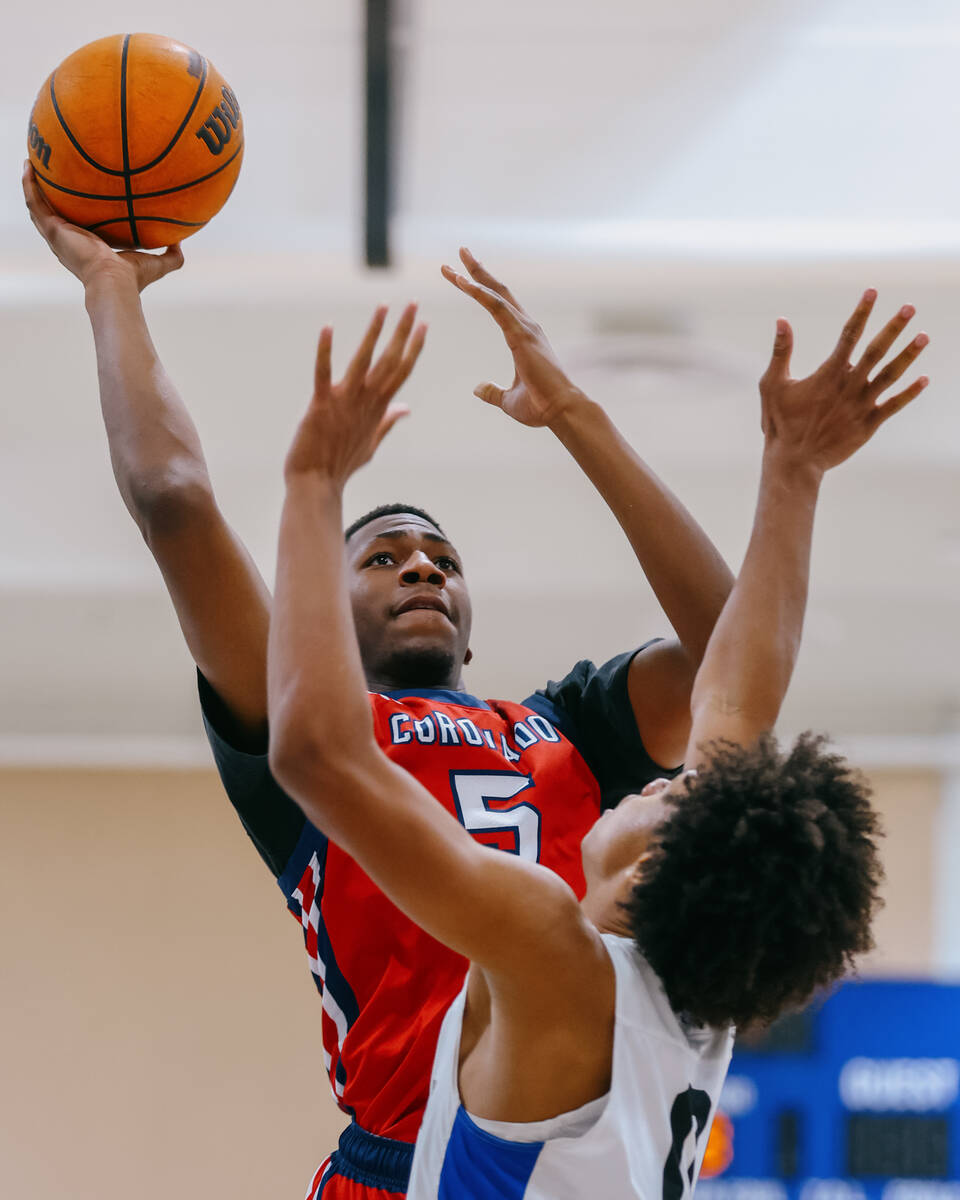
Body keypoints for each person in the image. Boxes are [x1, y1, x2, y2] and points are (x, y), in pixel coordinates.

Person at [23, 166, 742, 1196]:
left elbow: (729, 647)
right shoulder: (318, 730)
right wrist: (110, 290)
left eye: (443, 560)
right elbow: (173, 500)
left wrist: (575, 415)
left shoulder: (568, 727)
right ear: (319, 620)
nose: (421, 568)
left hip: (566, 1144)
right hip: (397, 1162)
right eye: (384, 557)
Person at [266, 283, 927, 1199]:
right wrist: (794, 467)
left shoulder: (554, 956)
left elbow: (315, 755)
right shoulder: (686, 985)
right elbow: (737, 691)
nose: (659, 781)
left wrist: (312, 484)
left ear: (655, 873)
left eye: (671, 796)